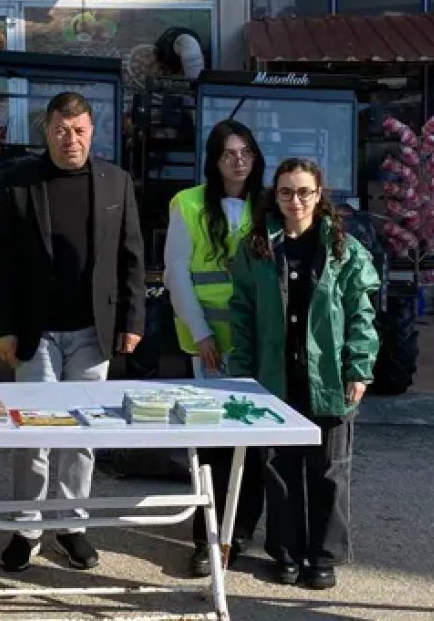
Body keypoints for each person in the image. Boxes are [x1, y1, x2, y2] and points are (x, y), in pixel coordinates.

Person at [0, 91, 146, 573]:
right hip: (36, 332)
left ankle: (72, 525)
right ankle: (27, 528)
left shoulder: (116, 181)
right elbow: (2, 264)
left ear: (92, 132)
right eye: (60, 129)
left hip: (92, 331)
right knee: (31, 433)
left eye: (78, 130)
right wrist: (1, 327)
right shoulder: (18, 183)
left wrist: (133, 322)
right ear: (47, 130)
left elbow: (132, 257)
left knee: (81, 433)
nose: (69, 139)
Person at [228, 158, 380, 590]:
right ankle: (287, 552)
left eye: (304, 192)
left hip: (329, 376)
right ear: (273, 196)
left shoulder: (343, 248)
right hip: (274, 375)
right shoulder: (257, 247)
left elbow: (361, 314)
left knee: (329, 469)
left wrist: (359, 368)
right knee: (279, 466)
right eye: (286, 192)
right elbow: (241, 313)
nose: (295, 201)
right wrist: (241, 372)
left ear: (319, 195)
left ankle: (323, 556)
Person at [163, 119, 267, 577]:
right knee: (213, 447)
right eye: (229, 153)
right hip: (209, 347)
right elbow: (176, 273)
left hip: (259, 345)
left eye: (245, 151)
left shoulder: (270, 203)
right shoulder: (187, 204)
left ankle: (240, 533)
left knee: (255, 442)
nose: (238, 160)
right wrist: (202, 332)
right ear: (213, 159)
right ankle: (208, 537)